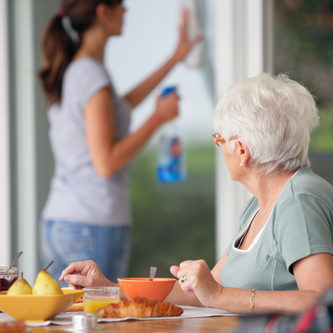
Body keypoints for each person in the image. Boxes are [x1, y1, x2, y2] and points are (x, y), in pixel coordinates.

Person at [59, 73, 333, 313]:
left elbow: (322, 299)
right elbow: (204, 295)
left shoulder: (299, 202)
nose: (219, 148)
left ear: (241, 151)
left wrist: (219, 295)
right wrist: (108, 288)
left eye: (219, 140)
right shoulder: (259, 206)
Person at [38, 0, 201, 284]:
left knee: (67, 321)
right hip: (92, 223)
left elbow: (118, 108)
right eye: (122, 5)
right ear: (103, 12)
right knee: (101, 320)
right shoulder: (92, 76)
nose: (127, 11)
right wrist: (157, 119)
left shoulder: (77, 70)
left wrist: (175, 58)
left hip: (62, 221)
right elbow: (106, 163)